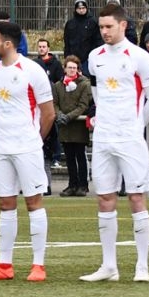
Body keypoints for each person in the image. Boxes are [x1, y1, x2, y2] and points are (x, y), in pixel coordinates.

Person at [80, 4, 149, 281]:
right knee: (105, 198)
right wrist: (104, 120)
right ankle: (109, 266)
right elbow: (96, 92)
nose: (104, 32)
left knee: (137, 198)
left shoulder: (139, 57)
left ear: (123, 25)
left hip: (130, 138)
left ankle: (142, 266)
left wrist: (136, 126)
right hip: (103, 138)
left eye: (109, 27)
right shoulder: (95, 57)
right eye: (101, 27)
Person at [0, 21, 54, 281]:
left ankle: (38, 265)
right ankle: (4, 266)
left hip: (27, 147)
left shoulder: (33, 71)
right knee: (5, 203)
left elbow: (48, 113)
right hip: (1, 148)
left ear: (8, 44)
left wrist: (34, 140)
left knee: (33, 202)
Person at [53, 56, 93, 196]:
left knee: (80, 156)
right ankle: (72, 184)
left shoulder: (85, 84)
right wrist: (59, 114)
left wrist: (68, 117)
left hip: (78, 125)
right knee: (69, 157)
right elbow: (55, 103)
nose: (71, 70)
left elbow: (83, 105)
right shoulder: (58, 85)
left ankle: (83, 185)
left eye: (74, 68)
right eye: (69, 67)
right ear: (65, 69)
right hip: (65, 126)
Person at [62, 0, 98, 64]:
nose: (81, 10)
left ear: (86, 8)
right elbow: (66, 41)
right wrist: (67, 56)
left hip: (88, 58)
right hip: (73, 58)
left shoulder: (92, 22)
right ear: (76, 9)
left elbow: (96, 40)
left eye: (83, 8)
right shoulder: (70, 23)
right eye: (79, 8)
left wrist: (93, 55)